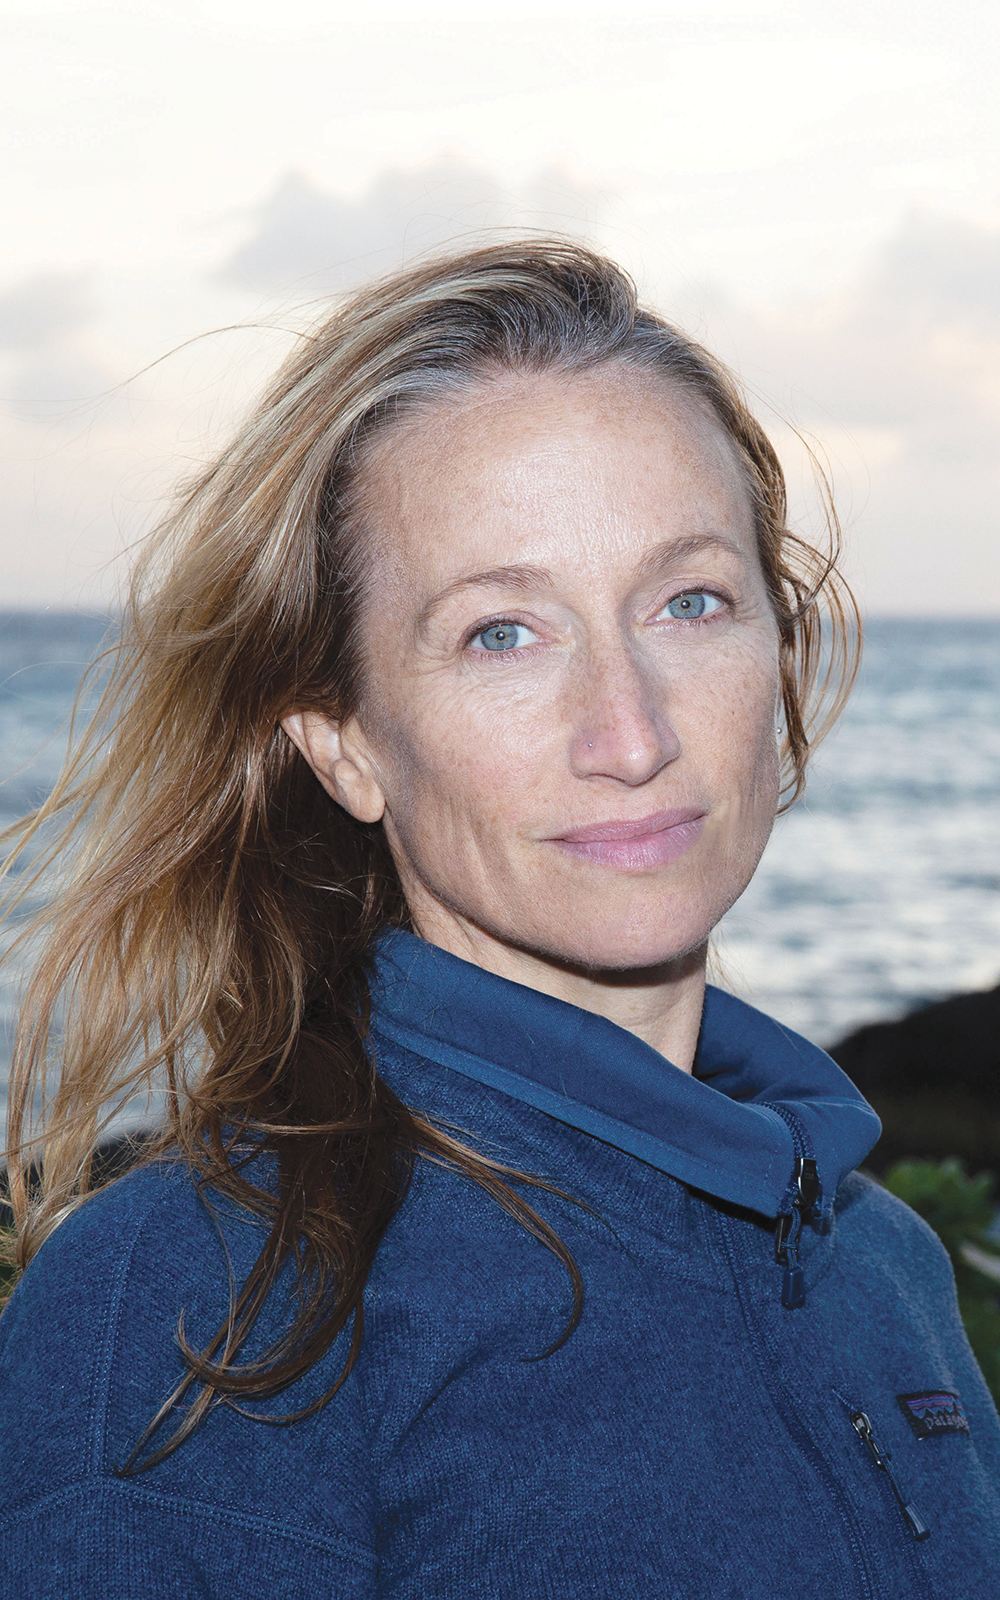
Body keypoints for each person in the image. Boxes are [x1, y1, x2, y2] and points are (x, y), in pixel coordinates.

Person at [1, 240, 997, 1598]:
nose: (630, 732)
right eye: (501, 634)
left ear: (787, 652)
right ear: (343, 742)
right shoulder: (196, 1306)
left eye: (690, 600)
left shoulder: (883, 1273)